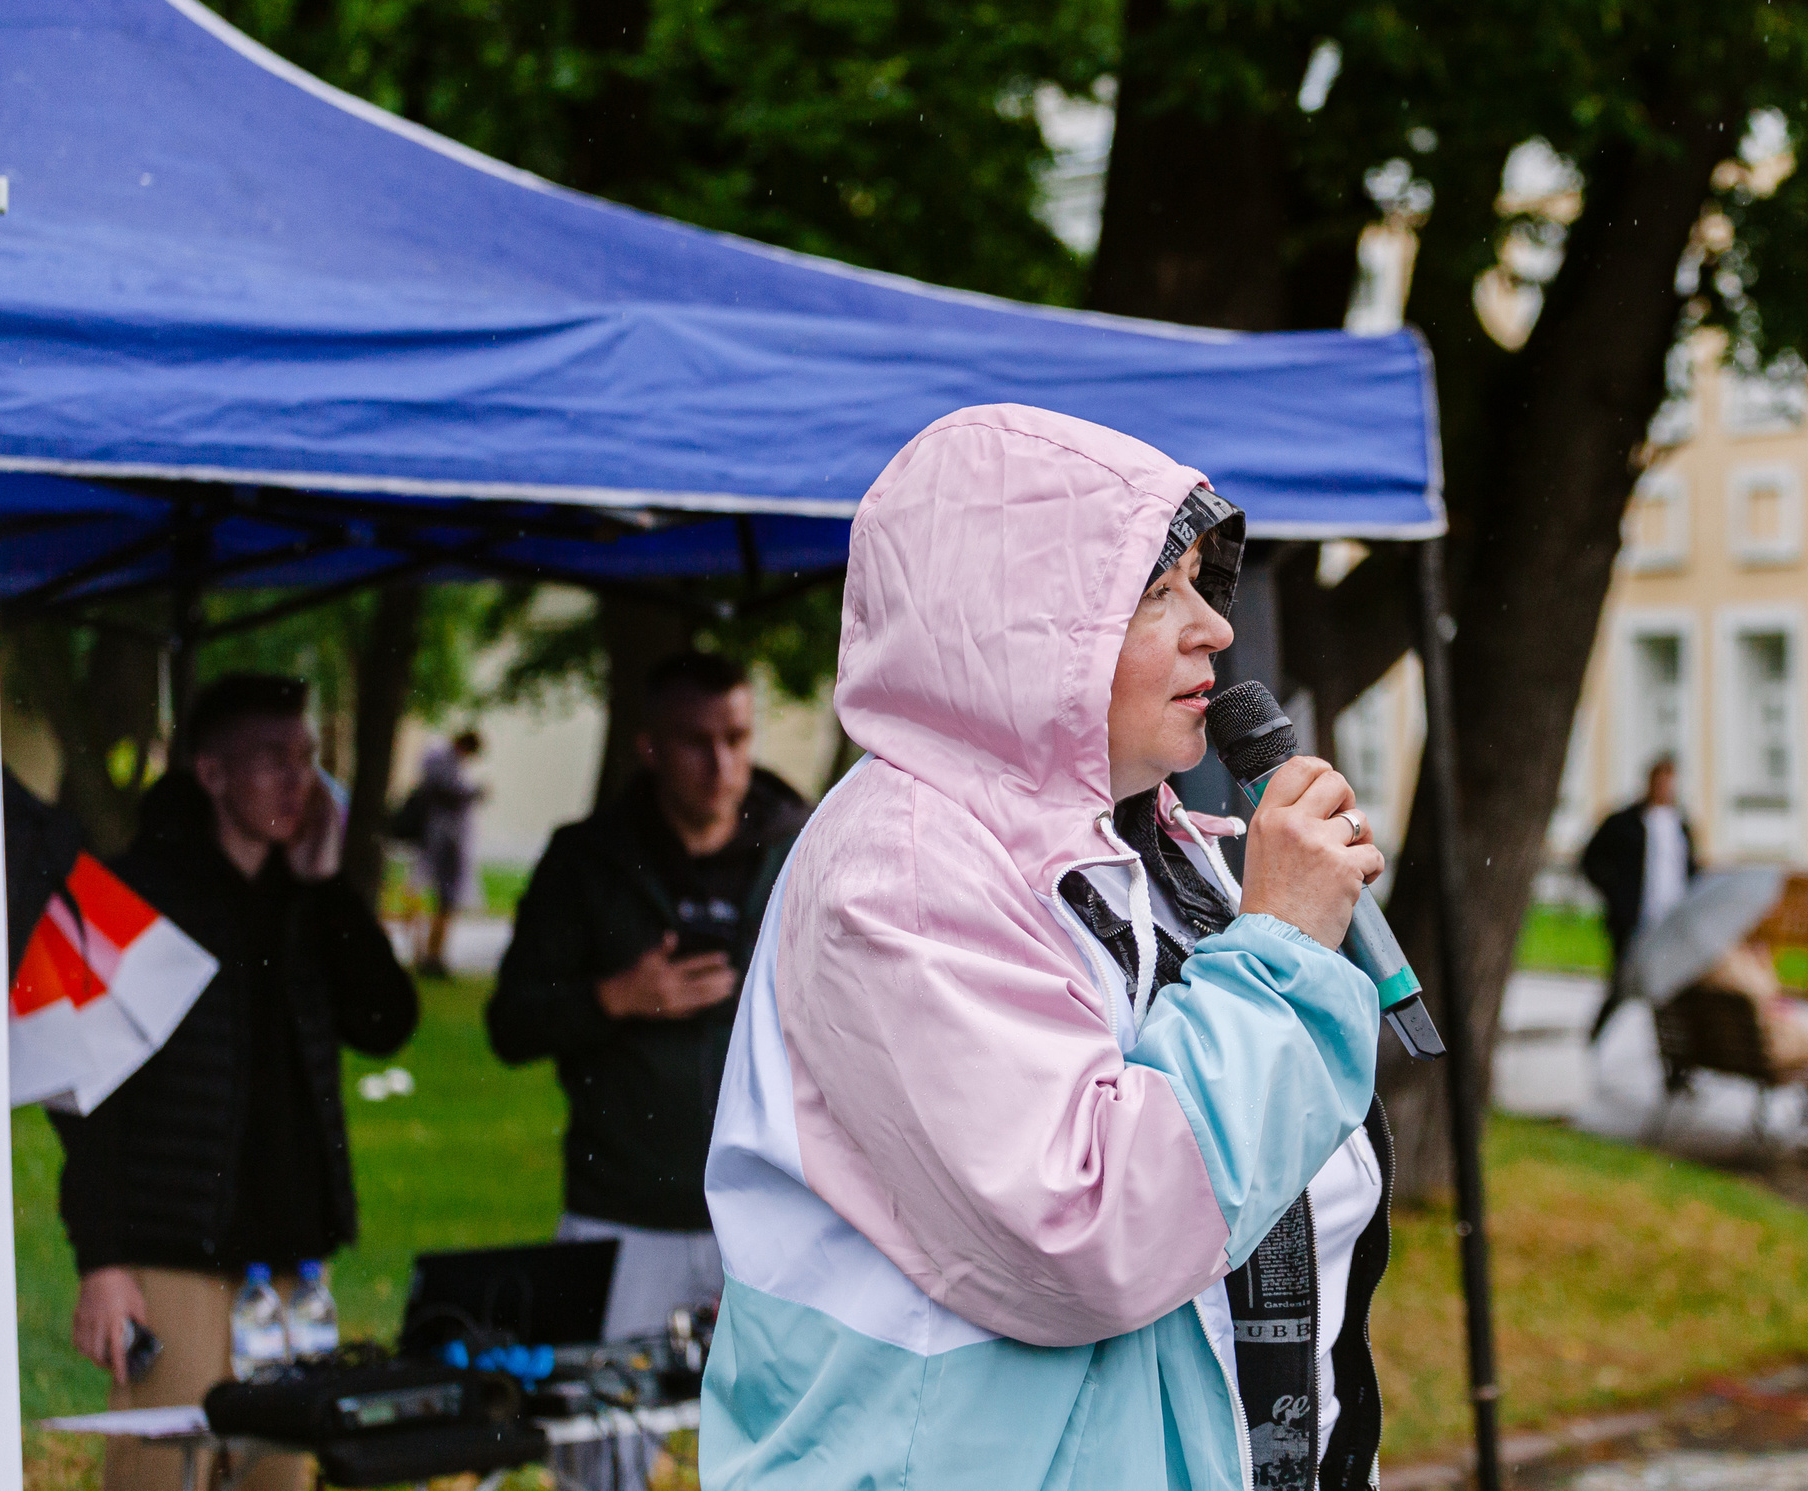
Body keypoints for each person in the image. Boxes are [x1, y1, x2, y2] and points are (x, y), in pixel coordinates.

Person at [701, 405, 1391, 1491]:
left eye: (1203, 584)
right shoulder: (903, 875)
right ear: (1023, 629)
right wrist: (1282, 951)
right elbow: (1091, 1234)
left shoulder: (1150, 845)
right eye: (1157, 594)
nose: (1213, 625)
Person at [57, 674, 419, 1491]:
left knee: (279, 1475)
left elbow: (386, 1020)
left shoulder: (306, 895)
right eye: (271, 760)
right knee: (161, 1472)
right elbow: (85, 1095)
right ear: (211, 773)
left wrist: (331, 888)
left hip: (289, 1257)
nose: (300, 782)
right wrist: (102, 1261)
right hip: (175, 1248)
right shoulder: (137, 893)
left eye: (307, 759)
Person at [485, 650, 807, 1481]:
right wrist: (613, 998)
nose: (722, 764)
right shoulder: (588, 859)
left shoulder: (799, 845)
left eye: (737, 737)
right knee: (602, 1446)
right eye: (695, 741)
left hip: (773, 1206)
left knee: (791, 1434)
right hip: (623, 1204)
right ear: (649, 746)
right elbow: (510, 1022)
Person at [1693, 929, 1808, 1164]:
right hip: (1766, 1051)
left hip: (1732, 1050)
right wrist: (1761, 965)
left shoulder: (1701, 963)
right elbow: (1763, 999)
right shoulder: (1728, 960)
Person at [1581, 754, 1698, 1042]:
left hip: (1670, 918)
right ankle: (1599, 1036)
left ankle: (1671, 1051)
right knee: (1623, 982)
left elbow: (1689, 868)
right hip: (1633, 918)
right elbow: (1590, 860)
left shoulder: (1680, 824)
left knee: (1670, 986)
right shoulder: (1624, 822)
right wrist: (1615, 893)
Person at [412, 729, 485, 977]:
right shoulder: (443, 762)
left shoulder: (442, 761)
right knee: (443, 898)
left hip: (442, 840)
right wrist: (470, 795)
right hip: (443, 841)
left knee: (440, 899)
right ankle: (428, 954)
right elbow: (442, 792)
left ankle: (431, 953)